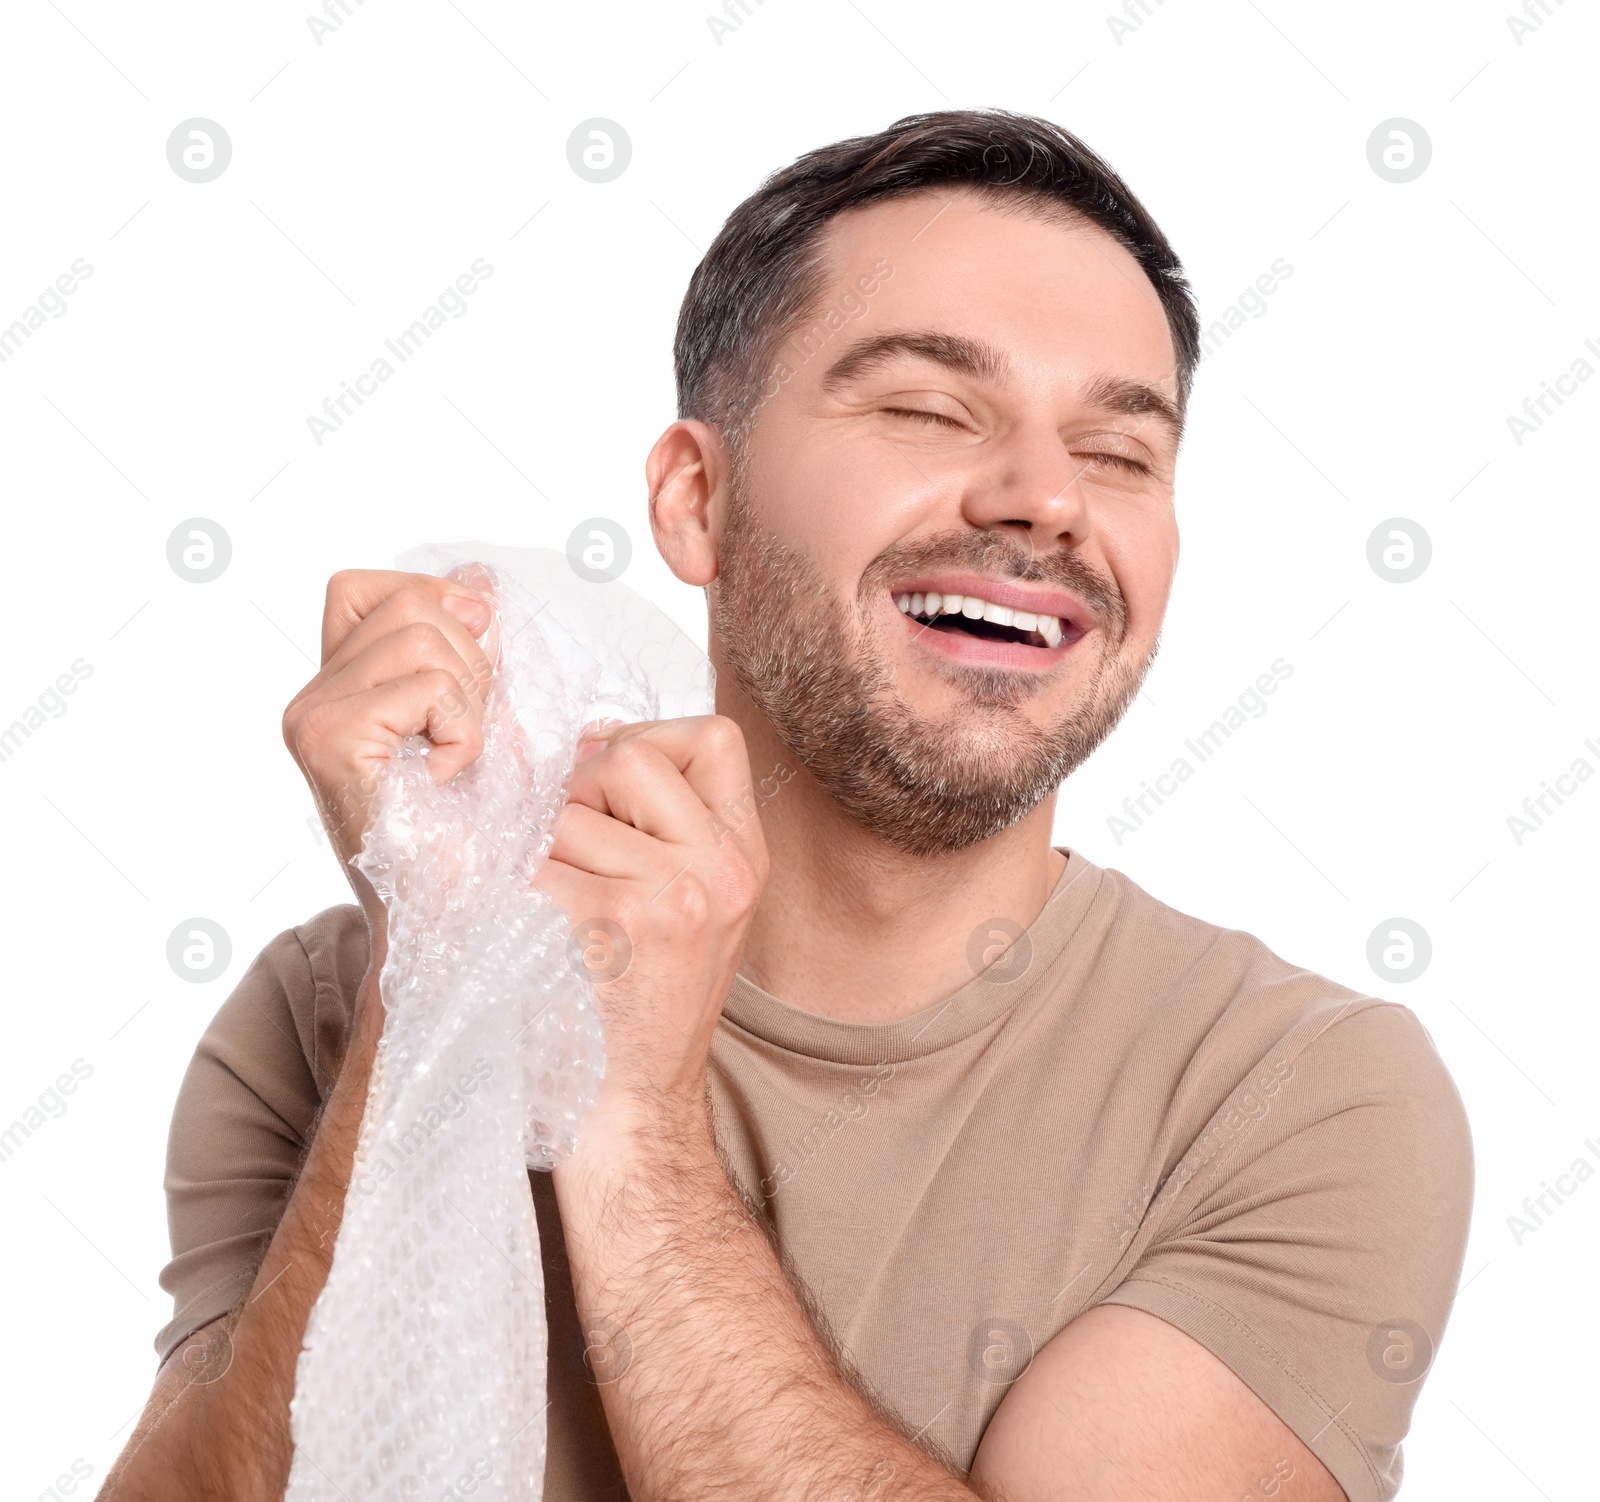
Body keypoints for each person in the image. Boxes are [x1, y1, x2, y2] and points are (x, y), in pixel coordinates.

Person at [102, 109, 1471, 1502]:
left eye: (1121, 453)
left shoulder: (1297, 1096)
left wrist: (629, 1122)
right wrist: (440, 971)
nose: (1048, 498)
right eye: (931, 409)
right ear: (697, 499)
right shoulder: (317, 1014)